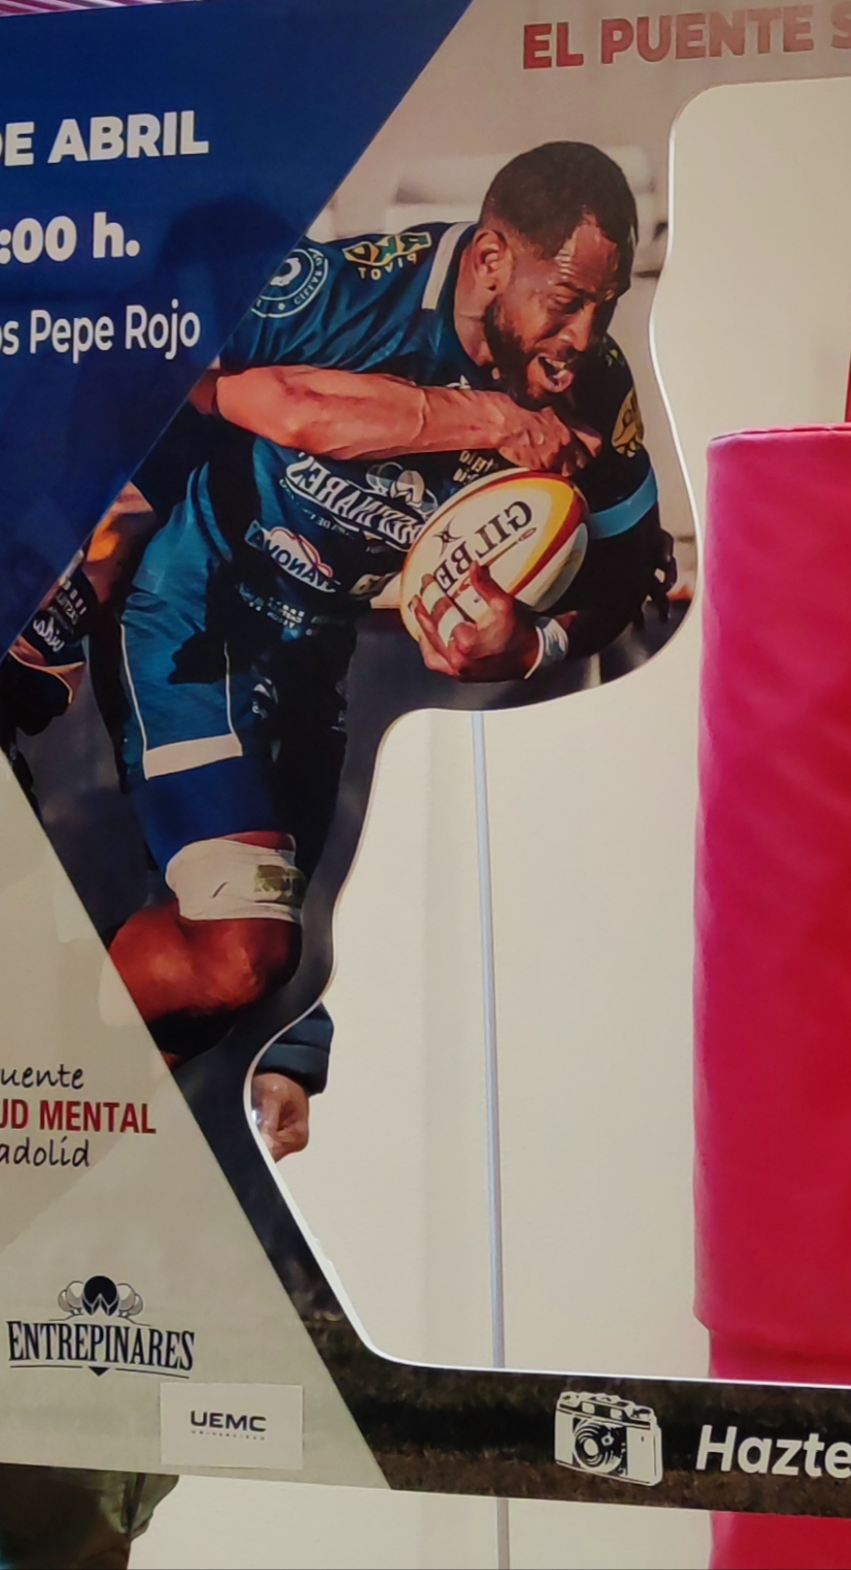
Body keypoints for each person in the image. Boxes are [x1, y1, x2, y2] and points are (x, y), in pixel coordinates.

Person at [96, 141, 666, 1052]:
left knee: (225, 1002)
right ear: (490, 260)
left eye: (608, 305)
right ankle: (12, 1015)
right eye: (566, 301)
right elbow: (137, 371)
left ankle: (41, 1063)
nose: (586, 336)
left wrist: (536, 645)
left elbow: (630, 568)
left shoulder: (595, 388)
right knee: (244, 950)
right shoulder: (341, 292)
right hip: (199, 621)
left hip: (314, 664)